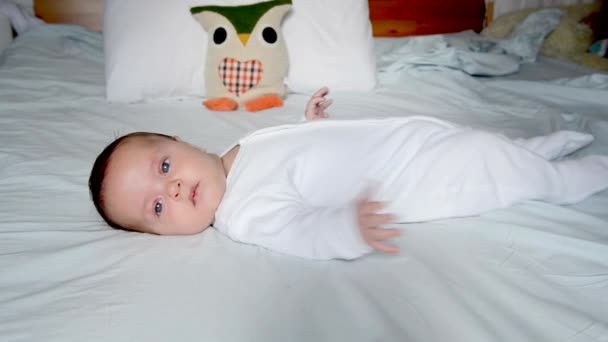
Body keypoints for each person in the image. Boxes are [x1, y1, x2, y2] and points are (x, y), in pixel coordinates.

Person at [89, 87, 608, 260]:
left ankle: (539, 147)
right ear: (163, 233)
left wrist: (311, 125)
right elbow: (303, 232)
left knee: (489, 146)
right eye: (158, 207)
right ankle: (578, 176)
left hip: (409, 141)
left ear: (180, 142)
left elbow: (299, 156)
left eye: (163, 166)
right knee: (499, 167)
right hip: (423, 178)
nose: (174, 188)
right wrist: (346, 228)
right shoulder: (243, 214)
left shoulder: (237, 150)